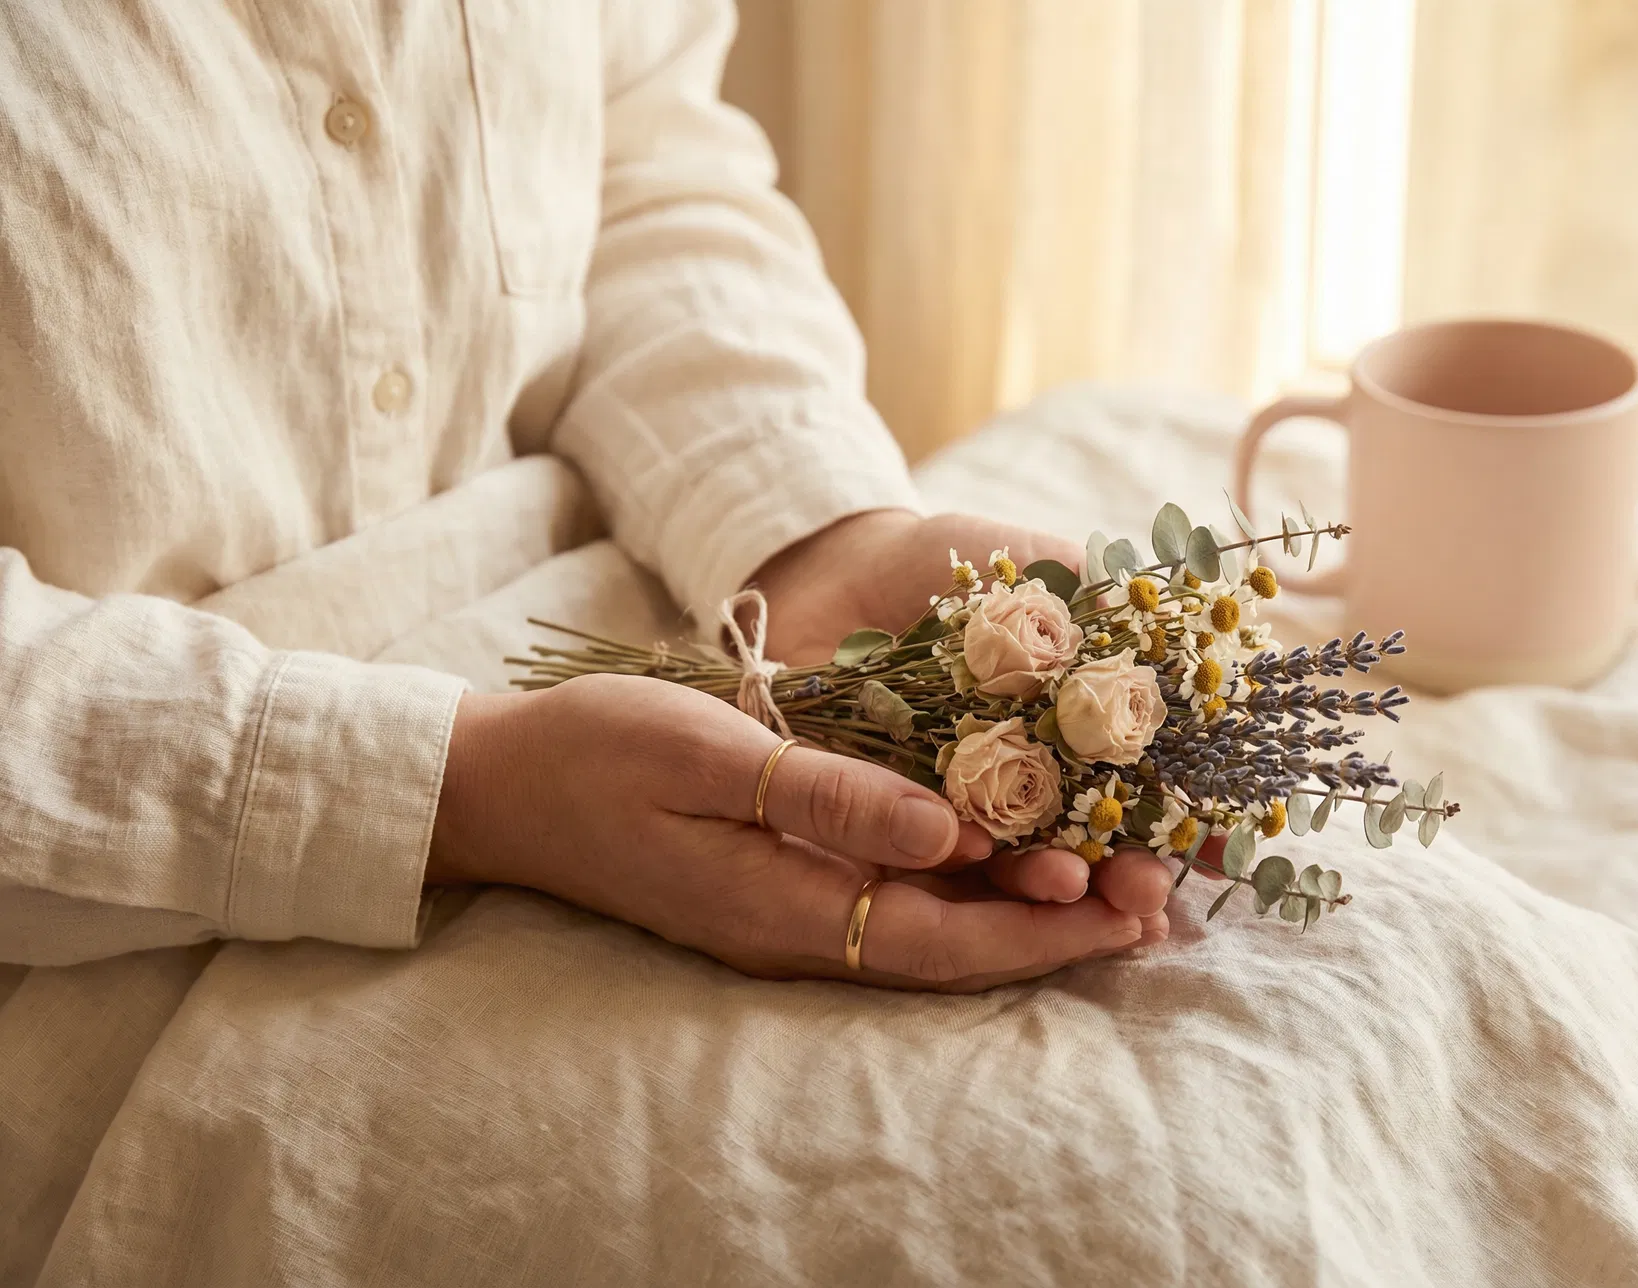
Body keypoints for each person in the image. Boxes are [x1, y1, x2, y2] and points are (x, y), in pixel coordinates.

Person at [0, 0, 1174, 1271]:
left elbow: (640, 168)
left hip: (640, 648)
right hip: (107, 874)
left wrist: (812, 534)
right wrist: (460, 789)